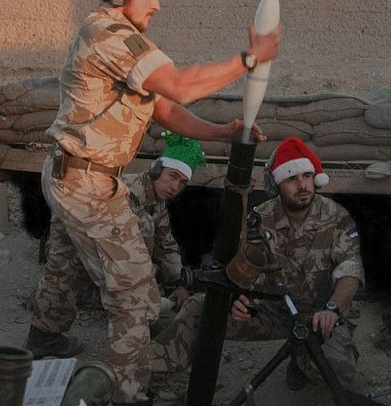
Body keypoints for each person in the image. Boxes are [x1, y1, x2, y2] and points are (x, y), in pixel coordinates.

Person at [23, 0, 281, 406]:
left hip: (72, 176)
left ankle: (45, 336)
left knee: (67, 260)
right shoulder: (111, 34)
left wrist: (219, 132)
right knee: (134, 296)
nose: (158, 4)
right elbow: (179, 86)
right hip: (87, 185)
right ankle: (129, 400)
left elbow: (163, 108)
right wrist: (250, 57)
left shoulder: (114, 37)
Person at [151, 137, 365, 392]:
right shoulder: (259, 218)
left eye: (307, 176)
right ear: (277, 184)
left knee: (338, 374)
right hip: (272, 312)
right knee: (200, 308)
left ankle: (301, 357)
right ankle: (145, 379)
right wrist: (242, 300)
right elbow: (245, 269)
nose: (302, 185)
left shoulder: (336, 216)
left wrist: (332, 308)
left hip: (320, 316)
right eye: (291, 179)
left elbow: (350, 270)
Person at [124, 132, 206, 315]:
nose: (175, 187)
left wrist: (181, 282)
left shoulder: (158, 203)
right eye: (173, 176)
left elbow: (166, 245)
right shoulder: (128, 192)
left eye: (182, 183)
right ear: (156, 170)